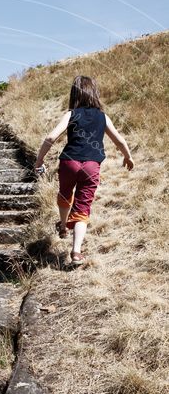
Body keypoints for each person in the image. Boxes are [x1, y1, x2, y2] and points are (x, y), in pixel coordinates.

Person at [34, 75, 134, 266]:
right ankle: (76, 252)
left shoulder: (71, 114)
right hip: (91, 166)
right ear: (94, 93)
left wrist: (40, 160)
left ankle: (63, 226)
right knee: (82, 207)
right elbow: (120, 140)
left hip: (69, 162)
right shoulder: (103, 117)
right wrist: (128, 157)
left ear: (74, 94)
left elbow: (50, 137)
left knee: (64, 194)